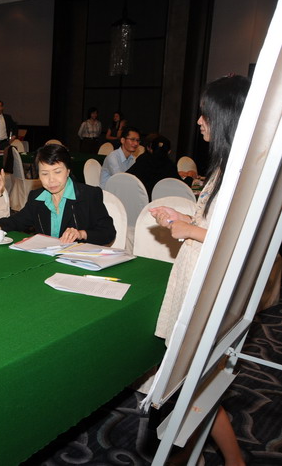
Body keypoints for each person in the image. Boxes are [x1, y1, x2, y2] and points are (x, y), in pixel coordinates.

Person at [150, 75, 250, 466]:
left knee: (193, 383)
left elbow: (236, 240)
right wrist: (185, 218)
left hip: (208, 288)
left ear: (223, 118)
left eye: (205, 114)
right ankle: (209, 455)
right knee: (196, 384)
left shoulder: (240, 174)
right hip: (197, 277)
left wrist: (189, 230)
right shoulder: (227, 167)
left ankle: (206, 455)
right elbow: (215, 224)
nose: (199, 121)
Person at [0, 144, 115, 245]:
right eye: (44, 174)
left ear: (68, 171)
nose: (51, 180)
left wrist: (81, 234)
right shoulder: (37, 197)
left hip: (77, 262)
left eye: (57, 172)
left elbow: (108, 232)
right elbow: (16, 221)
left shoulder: (88, 195)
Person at [126, 135, 180, 200]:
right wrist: (189, 178)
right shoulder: (171, 166)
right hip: (161, 203)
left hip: (139, 201)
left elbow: (126, 177)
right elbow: (181, 187)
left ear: (151, 149)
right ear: (169, 151)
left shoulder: (142, 160)